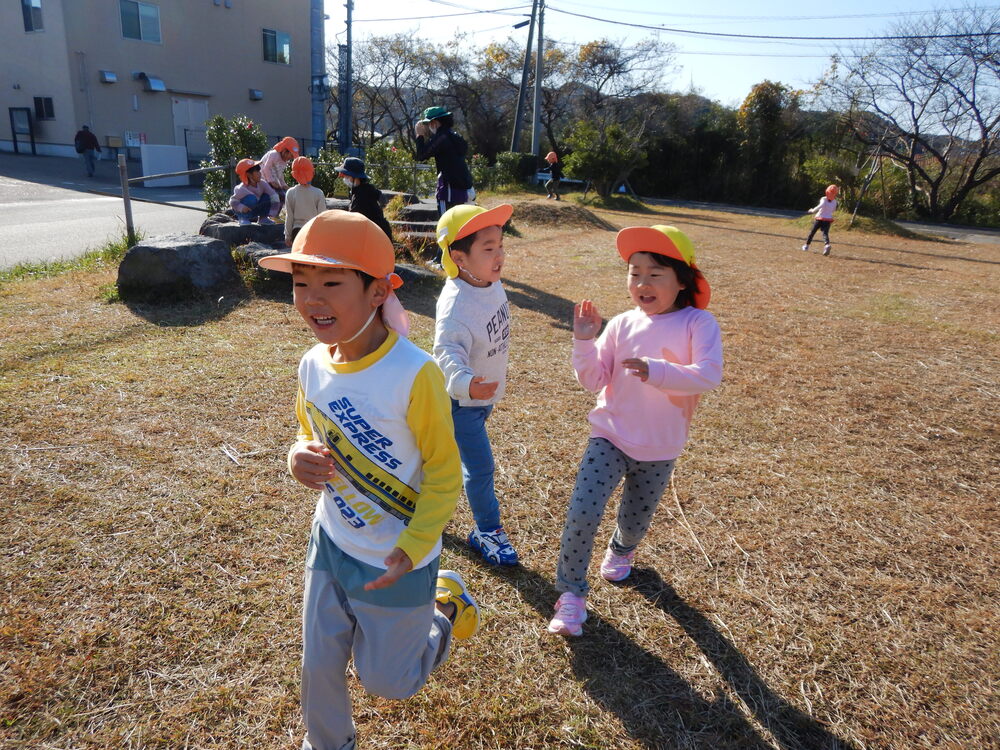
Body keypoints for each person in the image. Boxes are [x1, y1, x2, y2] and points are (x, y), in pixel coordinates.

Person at [258, 211, 480, 750]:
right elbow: (307, 429)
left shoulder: (415, 373)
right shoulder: (312, 364)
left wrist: (414, 543)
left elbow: (446, 473)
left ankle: (445, 608)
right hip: (331, 542)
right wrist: (296, 455)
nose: (313, 299)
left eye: (332, 283)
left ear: (378, 289)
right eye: (300, 283)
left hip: (396, 557)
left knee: (390, 682)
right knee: (319, 664)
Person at [547, 225, 723, 637]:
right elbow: (593, 381)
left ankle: (622, 550)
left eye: (655, 273)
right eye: (634, 272)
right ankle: (571, 595)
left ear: (682, 281)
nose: (642, 283)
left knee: (635, 520)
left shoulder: (699, 323)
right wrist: (584, 342)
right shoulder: (623, 323)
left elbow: (708, 375)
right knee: (582, 512)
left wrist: (656, 371)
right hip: (609, 435)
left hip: (661, 446)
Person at [433, 204, 519, 567]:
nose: (498, 255)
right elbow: (446, 353)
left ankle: (412, 500)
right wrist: (468, 385)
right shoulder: (456, 306)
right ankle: (487, 529)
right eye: (487, 248)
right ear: (459, 257)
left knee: (440, 459)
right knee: (480, 468)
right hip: (461, 402)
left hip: (480, 400)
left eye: (500, 245)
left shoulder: (488, 281)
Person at [414, 106, 474, 217]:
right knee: (461, 224)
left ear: (435, 123)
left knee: (446, 223)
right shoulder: (454, 135)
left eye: (429, 124)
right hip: (464, 187)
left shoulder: (442, 137)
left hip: (449, 189)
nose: (429, 127)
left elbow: (422, 155)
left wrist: (419, 136)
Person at [336, 156, 394, 241]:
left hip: (376, 239)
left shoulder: (361, 196)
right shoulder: (365, 190)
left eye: (347, 175)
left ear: (355, 177)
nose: (344, 178)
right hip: (380, 236)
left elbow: (355, 221)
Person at [284, 157, 327, 246]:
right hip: (312, 230)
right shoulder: (318, 193)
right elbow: (322, 217)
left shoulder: (290, 192)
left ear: (294, 174)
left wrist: (287, 235)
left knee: (297, 257)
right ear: (312, 172)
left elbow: (289, 217)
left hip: (297, 231)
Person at [230, 158, 280, 226]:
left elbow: (273, 196)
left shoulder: (262, 183)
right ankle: (243, 218)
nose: (260, 173)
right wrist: (241, 207)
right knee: (251, 198)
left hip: (255, 209)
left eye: (259, 171)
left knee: (267, 196)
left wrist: (272, 212)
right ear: (249, 175)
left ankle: (263, 218)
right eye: (257, 171)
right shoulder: (241, 188)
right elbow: (232, 201)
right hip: (244, 211)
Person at [259, 136, 300, 209]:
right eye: (291, 155)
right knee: (275, 196)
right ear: (284, 151)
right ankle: (270, 213)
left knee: (283, 196)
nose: (290, 158)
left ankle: (275, 214)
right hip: (263, 179)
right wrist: (271, 181)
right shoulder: (274, 154)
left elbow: (279, 174)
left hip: (272, 181)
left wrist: (283, 184)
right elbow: (266, 168)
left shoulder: (284, 161)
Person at [802, 184, 839, 256]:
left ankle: (806, 246)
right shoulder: (835, 202)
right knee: (825, 233)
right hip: (828, 220)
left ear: (827, 192)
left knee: (812, 232)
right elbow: (833, 210)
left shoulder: (823, 199)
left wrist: (812, 210)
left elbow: (820, 206)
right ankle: (827, 245)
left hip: (819, 218)